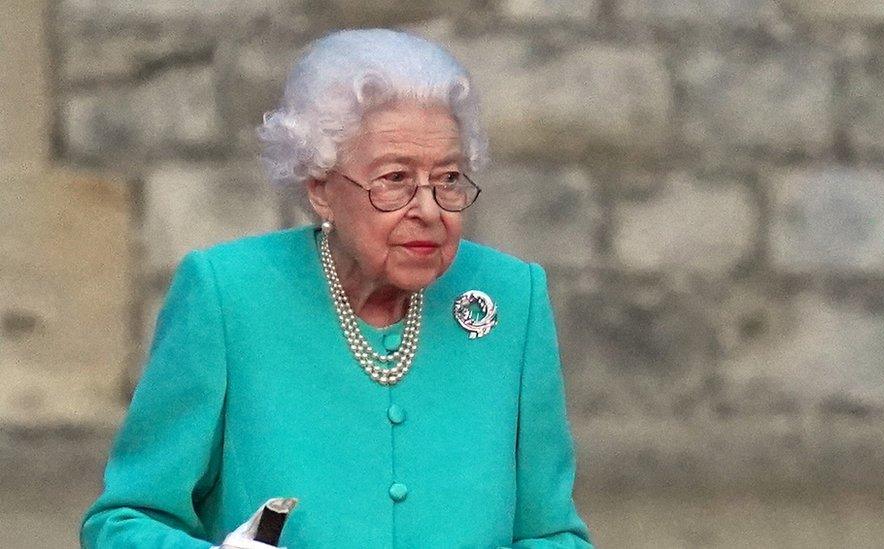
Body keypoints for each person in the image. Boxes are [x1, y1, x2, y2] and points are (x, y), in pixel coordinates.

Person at [81, 28, 593, 548]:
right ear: (321, 189)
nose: (430, 210)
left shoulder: (513, 296)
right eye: (395, 179)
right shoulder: (227, 295)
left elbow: (554, 533)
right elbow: (123, 521)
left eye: (449, 179)